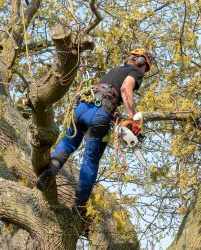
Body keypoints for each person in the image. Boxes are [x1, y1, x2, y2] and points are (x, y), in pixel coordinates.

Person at [36, 48, 152, 211]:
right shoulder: (135, 71)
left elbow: (106, 96)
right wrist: (133, 119)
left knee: (68, 142)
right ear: (140, 62)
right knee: (91, 159)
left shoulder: (114, 71)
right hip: (99, 115)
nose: (143, 72)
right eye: (144, 68)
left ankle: (50, 170)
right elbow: (126, 89)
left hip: (82, 109)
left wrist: (118, 118)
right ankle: (80, 203)